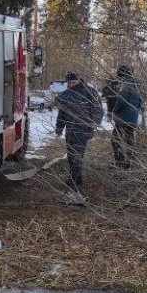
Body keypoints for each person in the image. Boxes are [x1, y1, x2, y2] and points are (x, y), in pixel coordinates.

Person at [54, 71, 103, 204]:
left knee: (77, 155)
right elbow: (62, 112)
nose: (71, 85)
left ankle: (74, 182)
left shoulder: (90, 92)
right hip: (70, 129)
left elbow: (98, 109)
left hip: (83, 129)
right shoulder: (67, 94)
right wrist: (59, 128)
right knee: (71, 154)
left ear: (79, 80)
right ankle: (77, 177)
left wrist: (93, 124)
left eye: (73, 82)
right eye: (69, 83)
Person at [105, 65, 142, 169]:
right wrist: (135, 110)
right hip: (132, 117)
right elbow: (140, 101)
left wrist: (114, 110)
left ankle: (119, 163)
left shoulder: (126, 84)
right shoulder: (136, 83)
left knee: (116, 140)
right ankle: (129, 163)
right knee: (129, 140)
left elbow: (121, 100)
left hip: (123, 117)